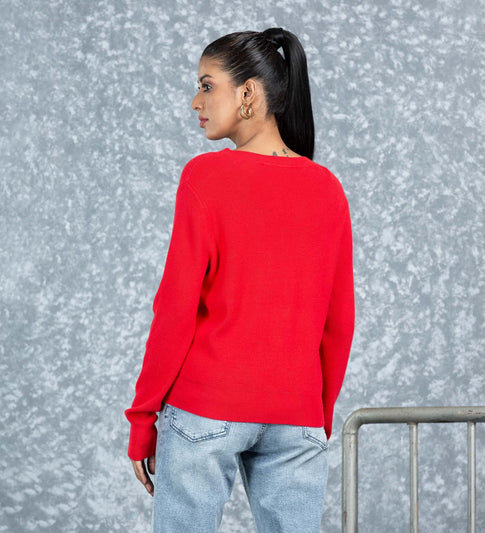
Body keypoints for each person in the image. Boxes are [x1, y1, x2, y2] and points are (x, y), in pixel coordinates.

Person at [125, 27, 355, 533]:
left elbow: (175, 309)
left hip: (207, 405)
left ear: (248, 93)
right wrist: (313, 418)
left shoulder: (206, 177)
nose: (196, 102)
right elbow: (339, 324)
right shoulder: (327, 188)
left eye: (207, 86)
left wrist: (143, 419)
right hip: (296, 415)